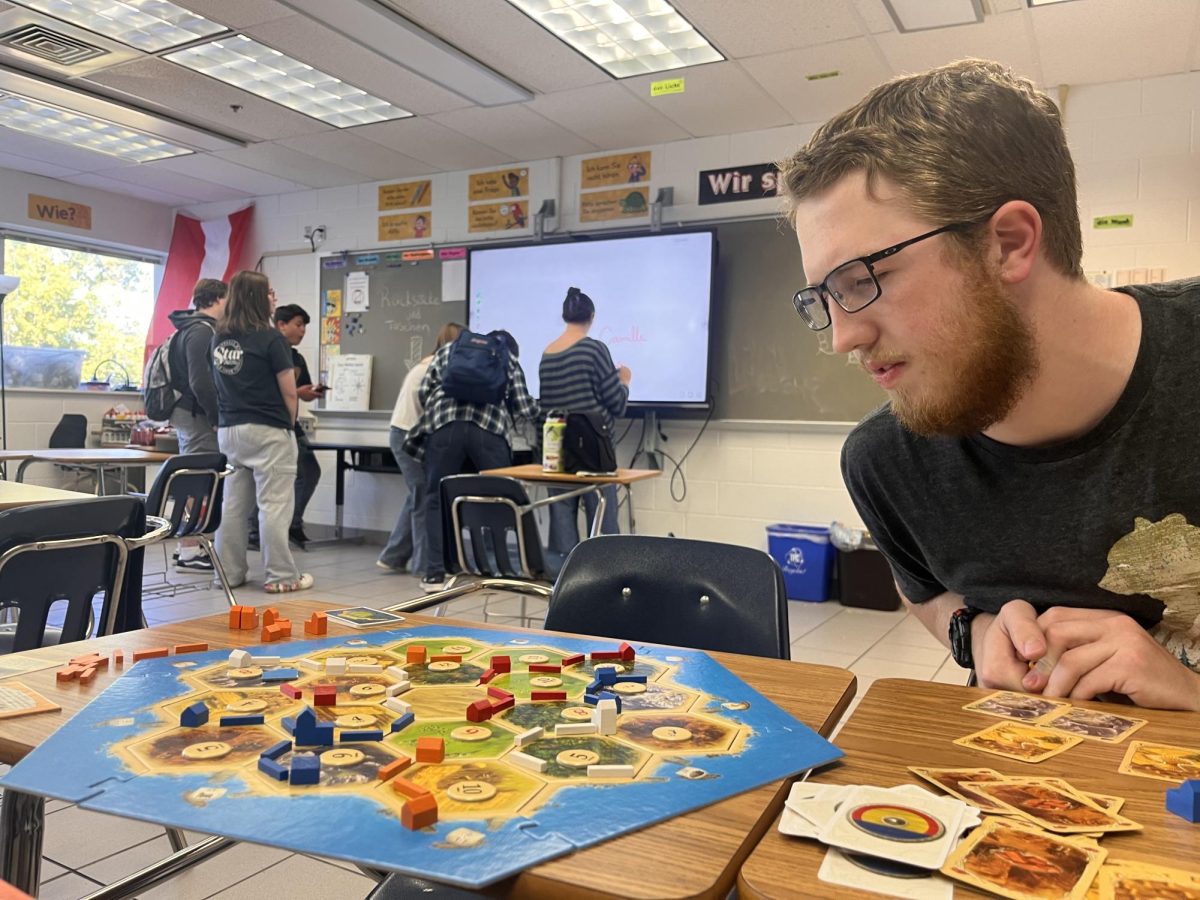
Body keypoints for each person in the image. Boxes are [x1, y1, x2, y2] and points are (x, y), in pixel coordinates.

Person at [779, 58, 1200, 711]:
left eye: (861, 282)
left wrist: (1187, 692)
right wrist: (974, 633)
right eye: (824, 299)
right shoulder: (887, 463)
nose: (843, 338)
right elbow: (924, 592)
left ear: (1008, 243)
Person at [404, 331, 540, 593]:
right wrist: (540, 413)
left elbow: (423, 392)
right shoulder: (505, 355)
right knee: (499, 499)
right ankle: (497, 571)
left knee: (436, 499)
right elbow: (524, 405)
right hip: (488, 432)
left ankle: (434, 576)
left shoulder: (448, 351)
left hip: (444, 429)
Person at [211, 271, 313, 594]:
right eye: (269, 292)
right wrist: (288, 427)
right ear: (257, 297)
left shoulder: (219, 338)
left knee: (233, 505)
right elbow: (290, 391)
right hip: (268, 430)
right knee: (274, 504)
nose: (274, 298)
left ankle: (228, 573)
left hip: (230, 431)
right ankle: (281, 576)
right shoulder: (270, 339)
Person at [539, 287, 630, 561]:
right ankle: (603, 577)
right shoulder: (595, 349)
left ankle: (564, 582)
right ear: (591, 316)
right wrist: (623, 381)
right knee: (602, 521)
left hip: (556, 448)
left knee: (562, 519)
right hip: (593, 450)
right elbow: (616, 404)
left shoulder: (547, 353)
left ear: (565, 315)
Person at [377, 322, 463, 575]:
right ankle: (424, 565)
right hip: (407, 435)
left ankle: (393, 555)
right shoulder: (438, 368)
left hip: (402, 433)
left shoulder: (427, 363)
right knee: (424, 494)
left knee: (418, 493)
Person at [247, 304, 324, 549]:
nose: (302, 331)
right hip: (269, 423)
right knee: (266, 478)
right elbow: (266, 390)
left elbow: (302, 392)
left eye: (304, 326)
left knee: (310, 470)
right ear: (281, 325)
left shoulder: (297, 357)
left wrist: (309, 393)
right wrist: (293, 392)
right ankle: (255, 531)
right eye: (298, 325)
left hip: (291, 424)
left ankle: (292, 523)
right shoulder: (267, 349)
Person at [167, 278, 225, 572]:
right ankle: (190, 548)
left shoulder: (194, 328)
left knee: (196, 479)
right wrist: (216, 418)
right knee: (196, 482)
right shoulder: (201, 331)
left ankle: (188, 546)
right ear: (218, 299)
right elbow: (200, 381)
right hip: (196, 415)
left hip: (191, 414)